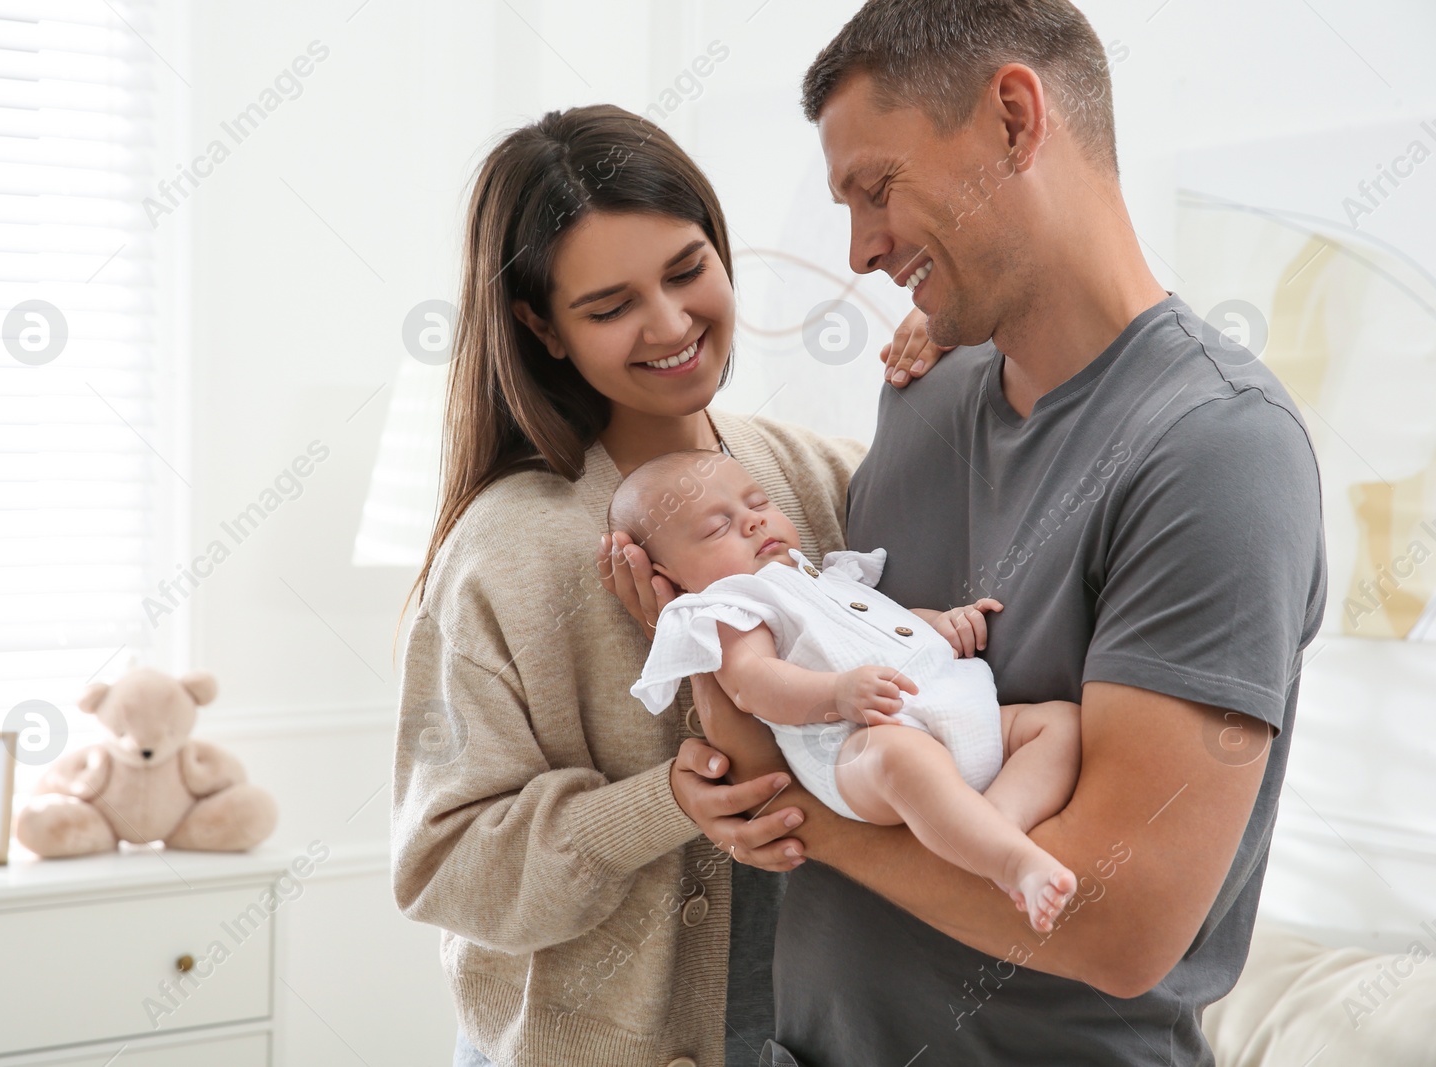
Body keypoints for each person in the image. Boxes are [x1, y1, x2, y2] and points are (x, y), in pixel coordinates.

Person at [609, 1, 1326, 1063]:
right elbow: (808, 709)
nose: (860, 248)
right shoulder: (925, 390)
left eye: (876, 188)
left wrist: (814, 818)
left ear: (1013, 119)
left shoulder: (1217, 451)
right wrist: (704, 634)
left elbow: (1116, 922)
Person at [389, 103, 946, 1067]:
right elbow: (445, 865)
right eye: (609, 307)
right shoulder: (502, 551)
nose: (672, 323)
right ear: (542, 328)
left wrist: (955, 368)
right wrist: (662, 804)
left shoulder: (822, 480)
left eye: (689, 271)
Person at [615, 449, 1083, 931]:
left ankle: (993, 825)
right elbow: (753, 683)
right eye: (717, 528)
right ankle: (1012, 864)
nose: (753, 522)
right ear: (669, 578)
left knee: (1059, 725)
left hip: (953, 705)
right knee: (900, 758)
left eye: (758, 503)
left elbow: (891, 624)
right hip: (853, 744)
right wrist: (836, 693)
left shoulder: (825, 577)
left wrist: (943, 624)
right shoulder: (732, 605)